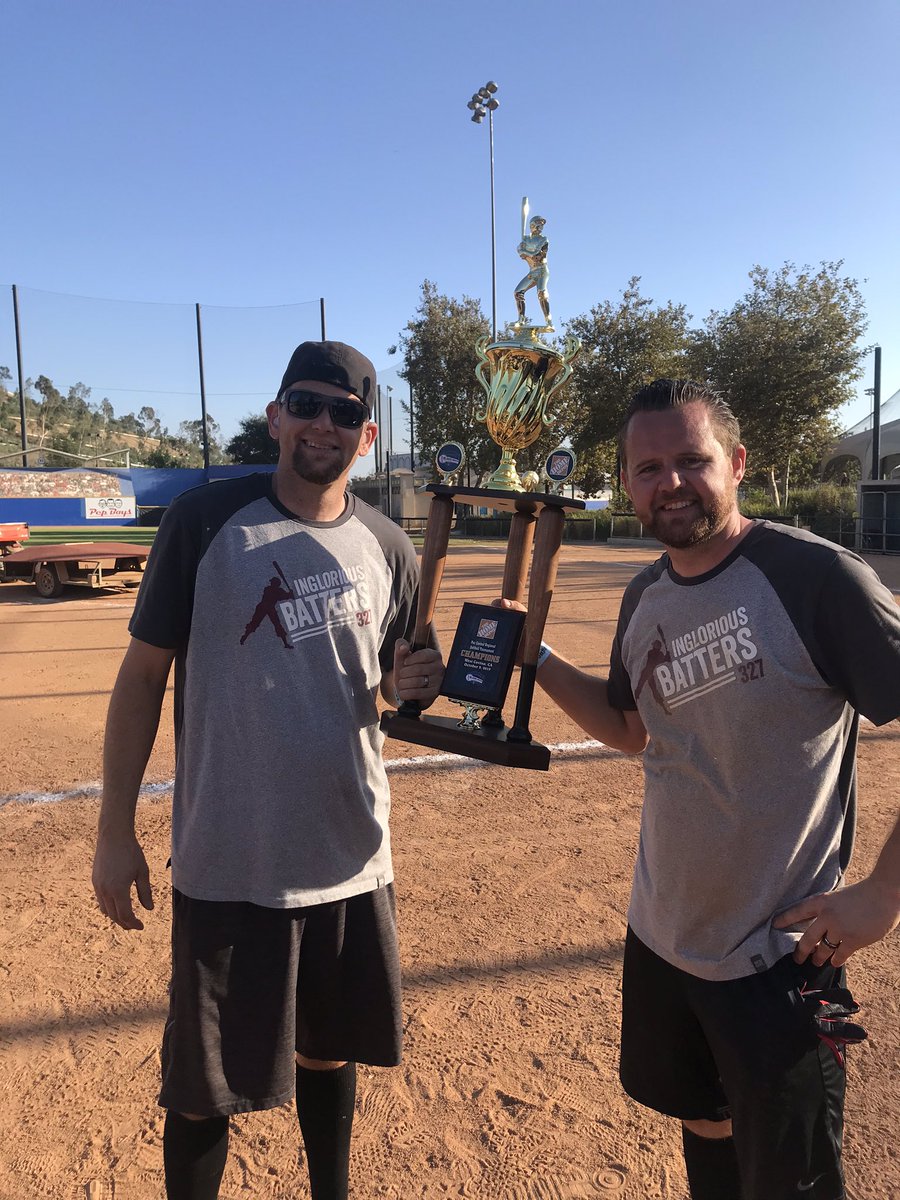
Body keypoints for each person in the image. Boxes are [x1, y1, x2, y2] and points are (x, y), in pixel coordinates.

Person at [499, 379, 900, 1200]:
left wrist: (885, 895)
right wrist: (533, 658)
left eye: (691, 459)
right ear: (625, 484)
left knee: (793, 1178)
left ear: (738, 463)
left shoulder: (818, 578)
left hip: (777, 955)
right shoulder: (645, 594)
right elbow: (629, 729)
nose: (669, 483)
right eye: (647, 468)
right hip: (664, 934)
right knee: (705, 1122)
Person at [92, 339, 443, 1200]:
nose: (324, 424)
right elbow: (142, 679)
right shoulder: (205, 523)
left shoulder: (391, 546)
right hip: (229, 858)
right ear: (277, 413)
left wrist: (416, 689)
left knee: (328, 1050)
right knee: (205, 1089)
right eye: (308, 404)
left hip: (350, 856)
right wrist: (113, 834)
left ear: (365, 438)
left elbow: (401, 690)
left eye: (345, 413)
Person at [514, 214, 552, 327]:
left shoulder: (544, 240)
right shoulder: (526, 239)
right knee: (518, 292)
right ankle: (521, 319)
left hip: (542, 271)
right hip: (533, 271)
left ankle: (548, 320)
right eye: (538, 224)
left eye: (541, 225)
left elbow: (538, 254)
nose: (541, 227)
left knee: (541, 292)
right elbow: (519, 251)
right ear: (532, 225)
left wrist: (525, 252)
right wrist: (522, 250)